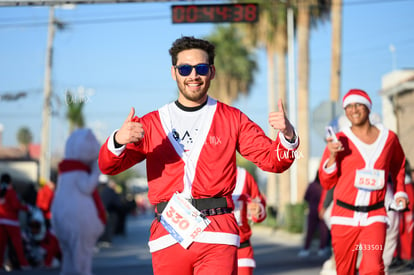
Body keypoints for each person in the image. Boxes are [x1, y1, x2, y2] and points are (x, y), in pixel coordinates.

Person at [98, 36, 299, 275]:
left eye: (201, 68)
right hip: (169, 232)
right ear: (174, 73)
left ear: (212, 72)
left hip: (218, 232)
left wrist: (287, 136)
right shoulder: (151, 123)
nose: (193, 75)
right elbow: (108, 166)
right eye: (185, 68)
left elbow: (273, 160)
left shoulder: (232, 118)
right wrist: (118, 140)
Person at [318, 88, 409, 275]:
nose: (353, 109)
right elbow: (326, 182)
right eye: (348, 106)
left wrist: (400, 191)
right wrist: (333, 156)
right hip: (344, 217)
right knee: (345, 271)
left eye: (358, 104)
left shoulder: (388, 138)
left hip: (375, 216)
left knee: (374, 269)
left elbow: (398, 164)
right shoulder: (339, 139)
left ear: (368, 107)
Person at [51, 128, 106, 275]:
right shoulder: (79, 171)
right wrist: (96, 170)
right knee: (81, 256)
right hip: (77, 221)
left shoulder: (65, 171)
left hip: (61, 218)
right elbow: (87, 186)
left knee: (68, 254)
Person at [232, 167, 266, 275]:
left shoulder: (243, 176)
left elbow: (259, 205)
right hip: (210, 249)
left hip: (241, 248)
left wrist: (258, 210)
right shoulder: (199, 172)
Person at [0, 173, 31, 270]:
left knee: (1, 245)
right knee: (17, 244)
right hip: (12, 221)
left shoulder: (1, 191)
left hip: (1, 221)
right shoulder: (11, 192)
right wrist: (26, 208)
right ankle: (23, 264)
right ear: (10, 181)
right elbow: (15, 206)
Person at [298, 170, 330, 258]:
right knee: (323, 231)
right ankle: (322, 249)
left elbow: (305, 197)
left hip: (312, 209)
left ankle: (306, 249)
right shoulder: (325, 186)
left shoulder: (312, 185)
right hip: (323, 211)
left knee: (310, 231)